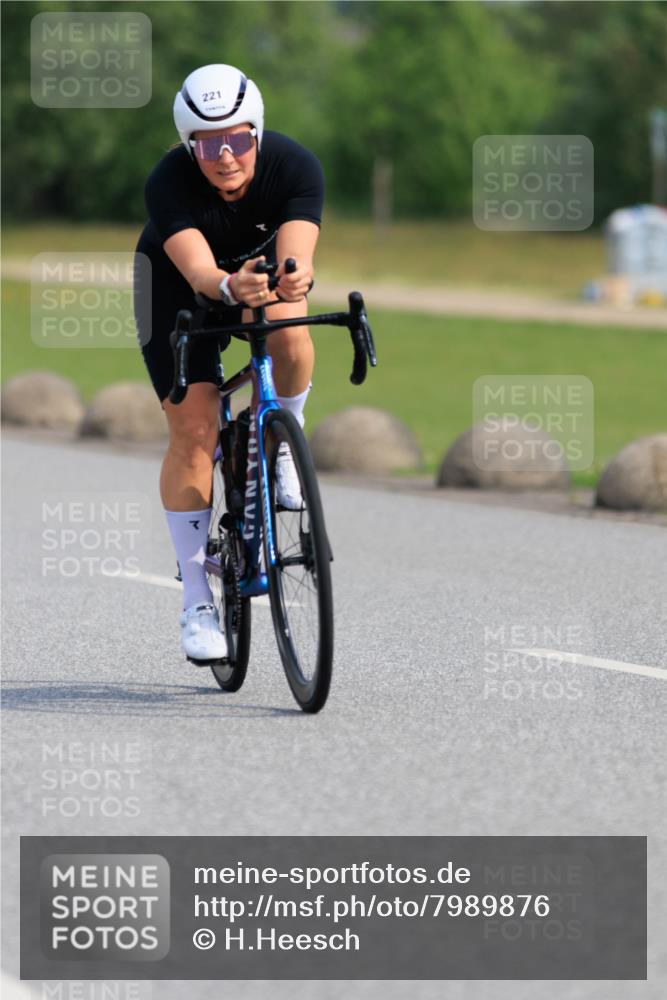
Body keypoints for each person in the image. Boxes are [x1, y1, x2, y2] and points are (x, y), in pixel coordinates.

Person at [134, 63, 324, 664]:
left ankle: (284, 438)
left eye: (237, 140)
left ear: (257, 133)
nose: (225, 156)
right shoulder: (168, 182)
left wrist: (293, 278)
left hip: (257, 282)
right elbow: (197, 272)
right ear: (189, 145)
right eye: (208, 143)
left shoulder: (294, 166)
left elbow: (296, 257)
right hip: (177, 290)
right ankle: (196, 602)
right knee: (195, 430)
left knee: (289, 326)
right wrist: (226, 285)